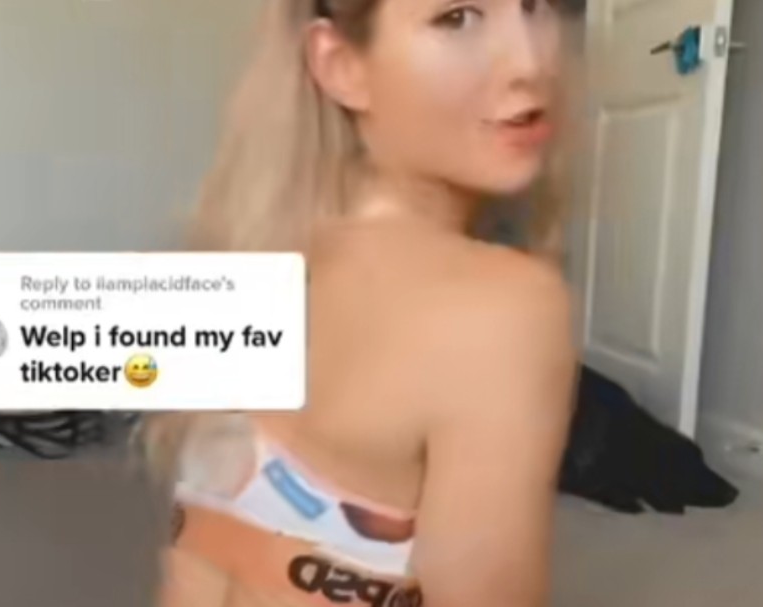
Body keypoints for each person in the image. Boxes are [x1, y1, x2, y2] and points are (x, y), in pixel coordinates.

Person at [141, 1, 580, 606]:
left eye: (535, 5)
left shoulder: (250, 259)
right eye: (457, 18)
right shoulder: (509, 308)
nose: (531, 62)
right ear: (342, 65)